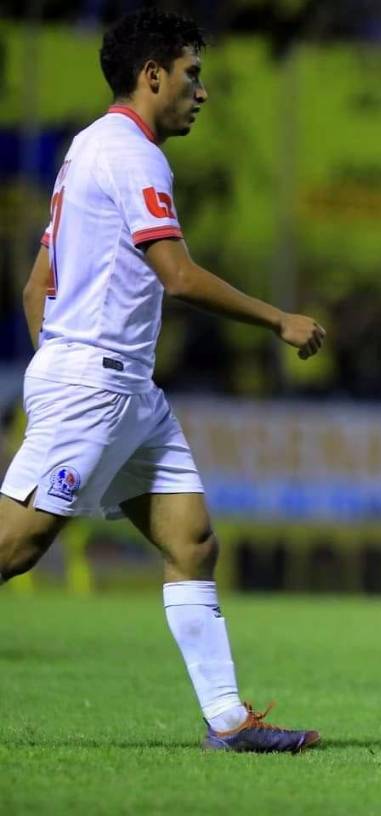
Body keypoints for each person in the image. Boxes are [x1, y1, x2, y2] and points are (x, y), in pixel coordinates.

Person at [0, 9, 325, 751]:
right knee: (14, 549)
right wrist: (278, 319)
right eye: (191, 74)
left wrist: (59, 364)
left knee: (193, 542)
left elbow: (35, 287)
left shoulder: (87, 148)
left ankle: (228, 722)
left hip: (125, 391)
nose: (200, 92)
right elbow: (176, 275)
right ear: (153, 76)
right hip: (98, 385)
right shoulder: (134, 156)